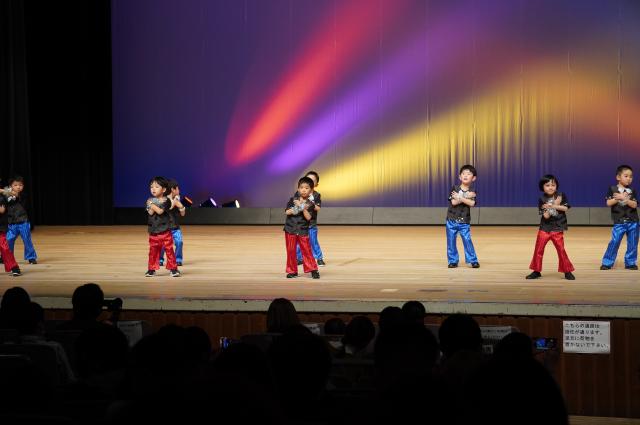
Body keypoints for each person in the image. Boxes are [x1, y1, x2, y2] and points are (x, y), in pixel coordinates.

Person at [526, 175, 575, 280]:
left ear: (556, 186)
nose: (550, 187)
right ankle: (536, 271)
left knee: (561, 250)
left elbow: (565, 208)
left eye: (553, 185)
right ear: (542, 187)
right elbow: (546, 216)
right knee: (538, 249)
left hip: (558, 227)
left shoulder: (561, 195)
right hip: (545, 228)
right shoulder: (542, 199)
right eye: (547, 185)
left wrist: (553, 205)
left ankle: (567, 271)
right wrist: (554, 205)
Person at [601, 165, 638, 270]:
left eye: (631, 176)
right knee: (615, 241)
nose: (629, 178)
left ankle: (630, 263)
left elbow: (634, 205)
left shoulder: (632, 190)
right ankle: (607, 262)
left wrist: (625, 199)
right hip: (619, 221)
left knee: (633, 243)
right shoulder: (613, 189)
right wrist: (619, 198)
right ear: (618, 177)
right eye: (626, 176)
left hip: (633, 221)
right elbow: (608, 203)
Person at [284, 177, 320, 279]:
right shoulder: (293, 200)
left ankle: (313, 270)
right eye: (301, 187)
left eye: (306, 188)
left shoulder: (310, 204)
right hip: (290, 229)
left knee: (307, 250)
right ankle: (292, 271)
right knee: (291, 251)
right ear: (298, 189)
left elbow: (308, 217)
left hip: (303, 230)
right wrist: (298, 206)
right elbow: (287, 212)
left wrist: (303, 208)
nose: (303, 190)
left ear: (311, 190)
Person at [145, 177, 180, 277]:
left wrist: (151, 204)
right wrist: (152, 205)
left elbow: (160, 211)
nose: (153, 189)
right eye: (151, 187)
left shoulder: (166, 200)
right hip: (153, 230)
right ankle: (151, 269)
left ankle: (173, 269)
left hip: (165, 230)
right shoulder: (150, 200)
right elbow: (150, 212)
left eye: (156, 187)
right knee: (153, 251)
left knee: (169, 250)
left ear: (164, 189)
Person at [446, 165, 479, 268]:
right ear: (460, 177)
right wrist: (465, 196)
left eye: (469, 174)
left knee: (467, 240)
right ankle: (453, 261)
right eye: (463, 174)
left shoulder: (473, 190)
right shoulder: (454, 188)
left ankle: (472, 260)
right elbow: (454, 202)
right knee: (451, 241)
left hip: (464, 220)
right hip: (451, 219)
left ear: (473, 178)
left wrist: (460, 197)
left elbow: (472, 203)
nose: (465, 175)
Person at [2, 175, 37, 264]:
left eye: (20, 185)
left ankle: (31, 257)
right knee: (8, 240)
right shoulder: (5, 195)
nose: (18, 187)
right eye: (15, 185)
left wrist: (4, 191)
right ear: (10, 186)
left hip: (23, 222)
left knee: (26, 239)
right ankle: (6, 257)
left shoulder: (23, 195)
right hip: (11, 223)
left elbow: (15, 197)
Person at [296, 171, 325, 266]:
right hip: (300, 224)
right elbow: (295, 206)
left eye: (313, 181)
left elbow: (318, 208)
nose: (310, 182)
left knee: (313, 241)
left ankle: (319, 258)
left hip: (311, 224)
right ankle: (299, 258)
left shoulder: (316, 195)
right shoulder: (298, 194)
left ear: (316, 184)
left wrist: (309, 203)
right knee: (299, 242)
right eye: (308, 180)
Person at [160, 178, 186, 267]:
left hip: (175, 227)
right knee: (162, 245)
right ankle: (160, 259)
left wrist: (180, 206)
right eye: (178, 188)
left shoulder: (177, 199)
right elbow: (165, 210)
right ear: (172, 189)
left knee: (179, 242)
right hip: (165, 228)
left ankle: (178, 259)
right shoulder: (163, 200)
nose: (179, 190)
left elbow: (183, 214)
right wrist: (173, 203)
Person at [0, 193, 21, 276]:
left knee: (5, 248)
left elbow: (15, 198)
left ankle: (14, 267)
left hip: (1, 227)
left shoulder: (3, 197)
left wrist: (5, 191)